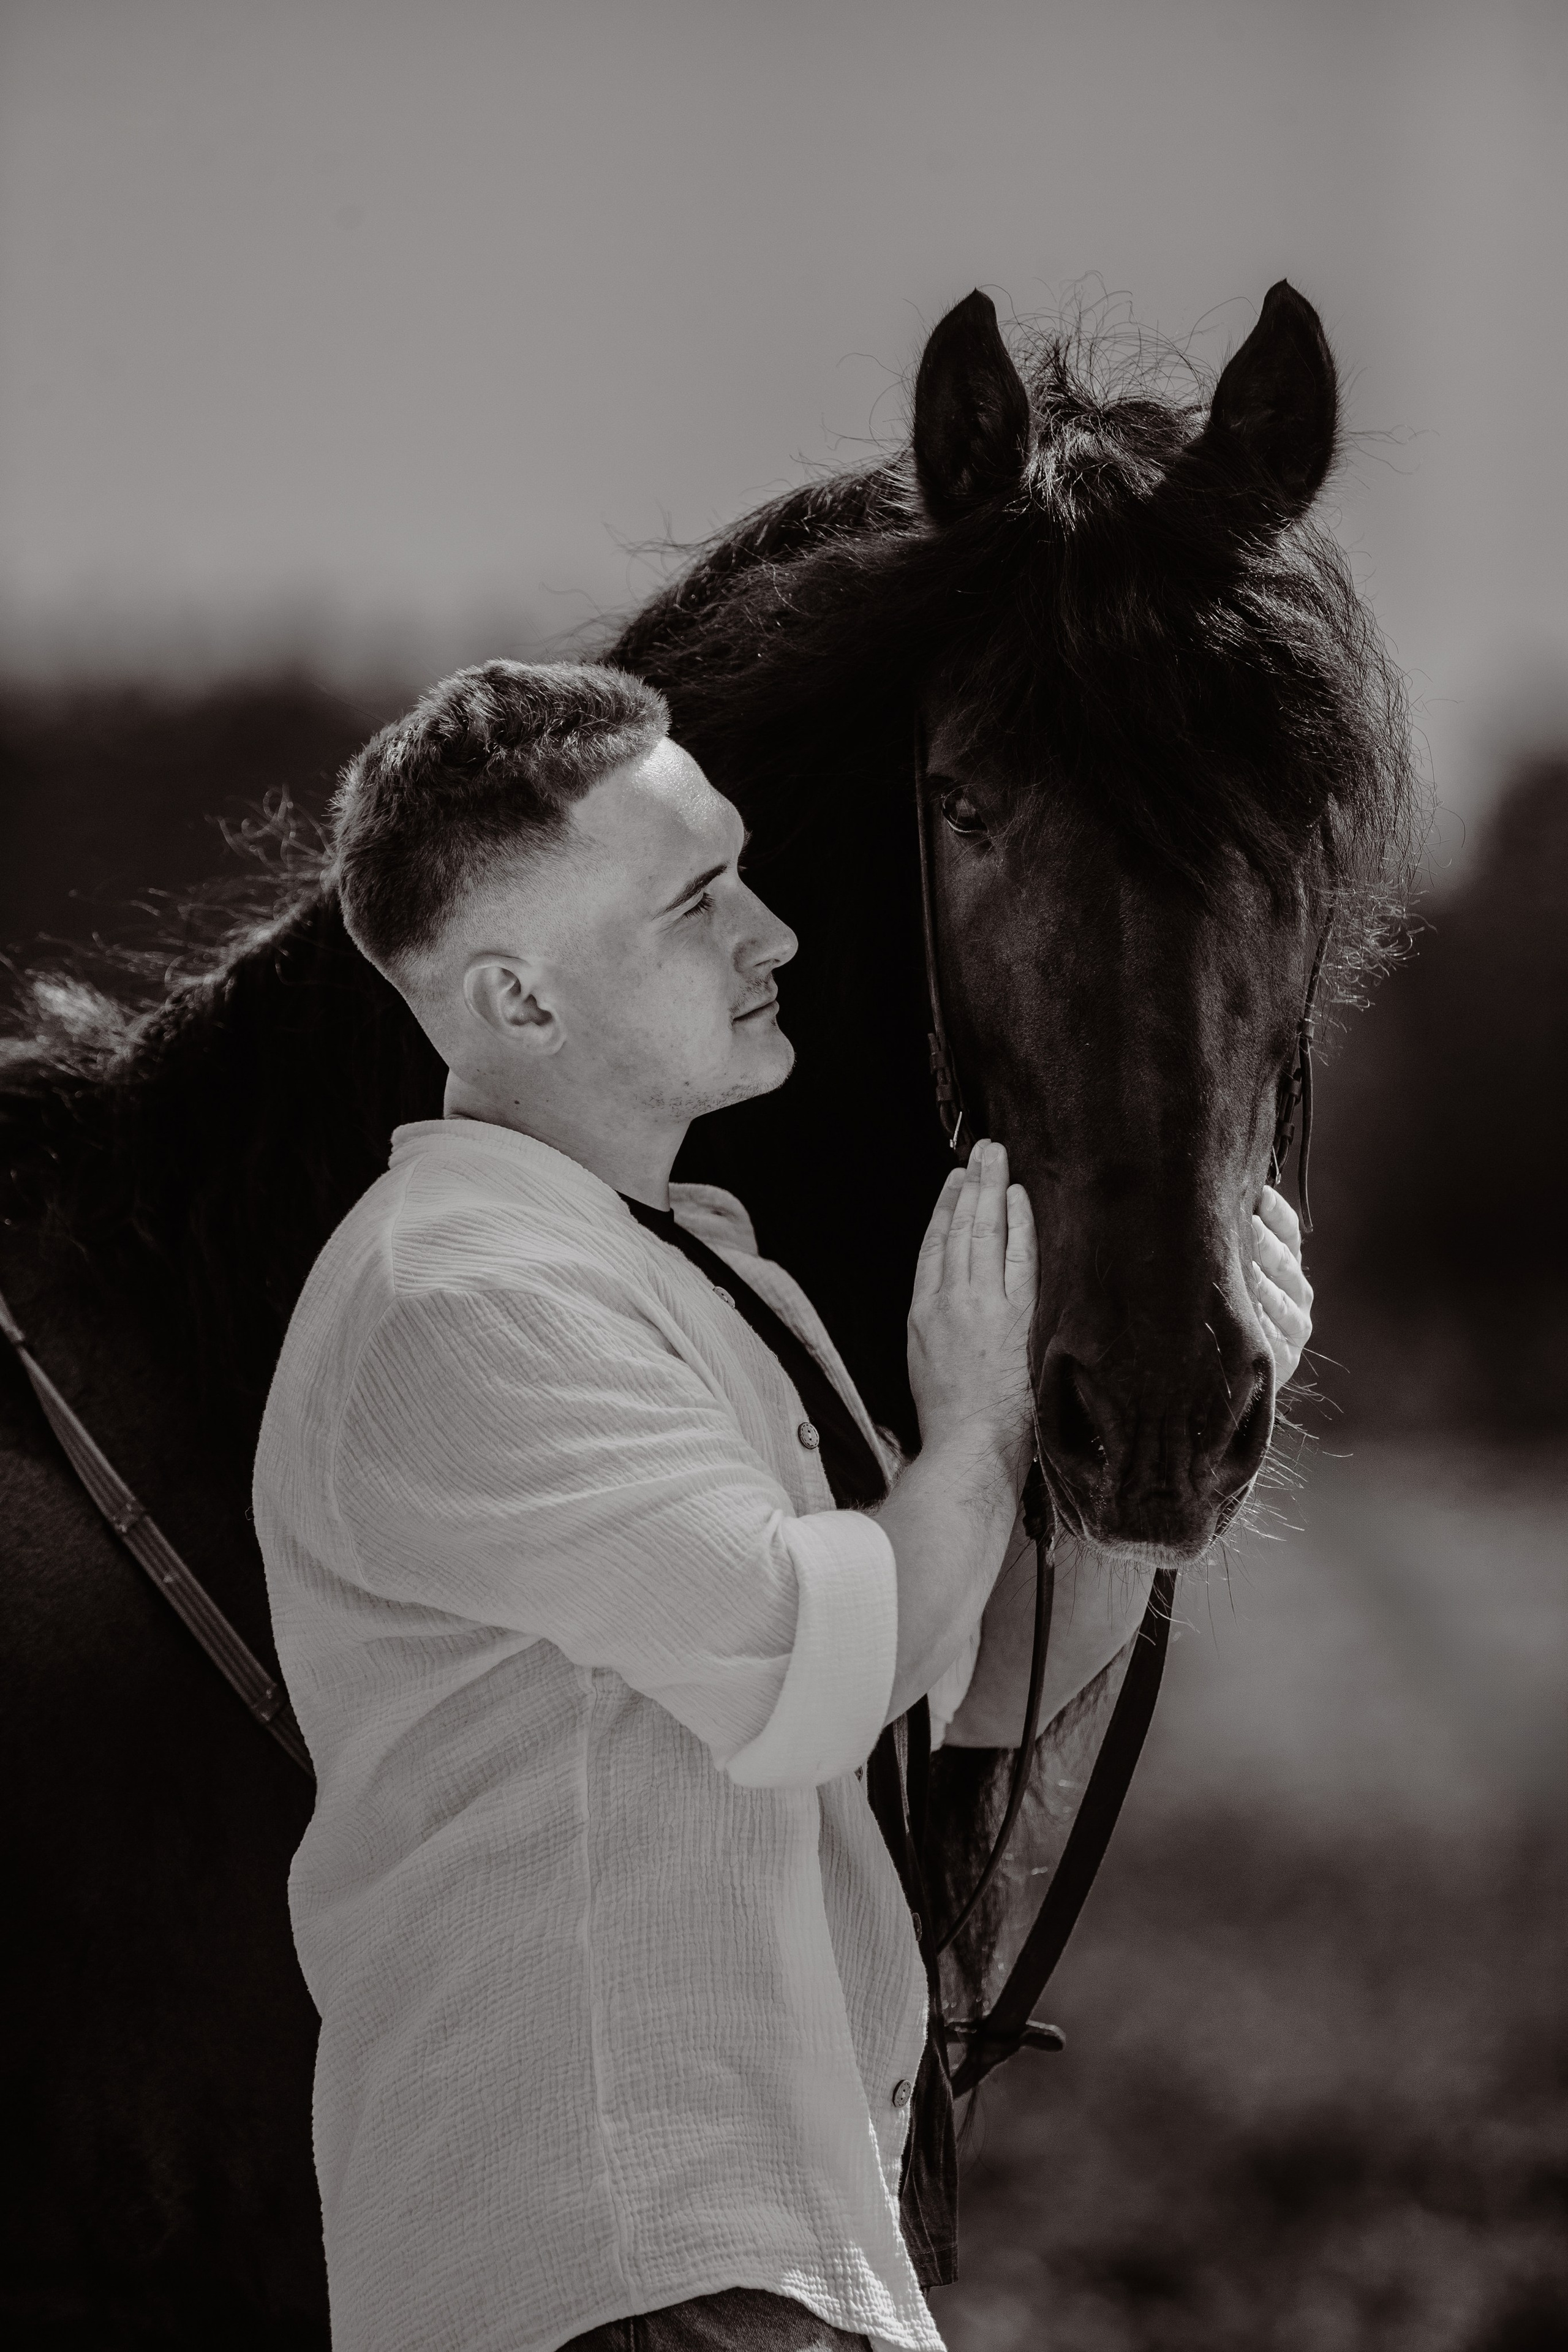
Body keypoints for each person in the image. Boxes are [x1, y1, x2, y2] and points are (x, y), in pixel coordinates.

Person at [254, 659, 1313, 2352]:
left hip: (741, 2266)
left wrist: (1165, 1450)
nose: (775, 933)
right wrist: (970, 1432)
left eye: (739, 870)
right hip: (621, 2272)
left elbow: (953, 1685)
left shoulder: (699, 1276)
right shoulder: (458, 1302)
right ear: (520, 1003)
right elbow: (808, 1671)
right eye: (696, 903)